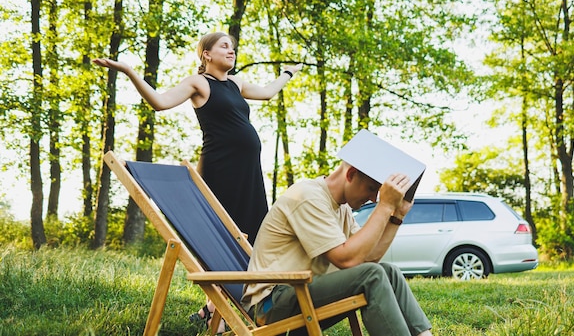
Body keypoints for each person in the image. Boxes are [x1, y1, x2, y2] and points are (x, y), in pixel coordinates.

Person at [94, 31, 302, 330]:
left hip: (248, 173)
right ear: (206, 54)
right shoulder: (198, 83)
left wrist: (287, 73)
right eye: (224, 46)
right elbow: (159, 102)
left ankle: (213, 312)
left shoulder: (236, 83)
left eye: (233, 46)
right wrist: (129, 71)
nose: (232, 50)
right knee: (223, 237)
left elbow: (268, 92)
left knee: (254, 236)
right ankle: (218, 316)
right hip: (220, 172)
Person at [241, 160, 434, 336]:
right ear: (350, 175)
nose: (373, 198)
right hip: (270, 305)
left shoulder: (342, 209)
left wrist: (396, 216)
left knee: (388, 271)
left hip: (298, 294)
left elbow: (368, 258)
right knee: (372, 275)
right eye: (371, 189)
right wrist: (384, 206)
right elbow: (346, 259)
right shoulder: (307, 196)